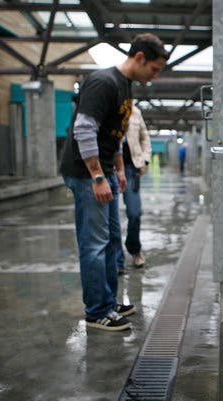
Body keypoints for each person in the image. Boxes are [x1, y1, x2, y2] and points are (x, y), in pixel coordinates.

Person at [60, 33, 168, 331]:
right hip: (86, 173)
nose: (155, 76)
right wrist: (97, 176)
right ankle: (97, 311)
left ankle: (108, 301)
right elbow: (84, 130)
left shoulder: (125, 86)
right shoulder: (103, 82)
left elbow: (115, 133)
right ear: (139, 58)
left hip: (105, 170)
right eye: (154, 69)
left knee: (110, 240)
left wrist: (118, 170)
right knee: (94, 243)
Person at [118, 104, 151, 269]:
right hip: (110, 167)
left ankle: (134, 248)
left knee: (134, 212)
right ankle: (116, 260)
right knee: (109, 218)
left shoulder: (135, 111)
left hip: (131, 168)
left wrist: (145, 160)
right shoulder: (106, 105)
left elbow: (144, 137)